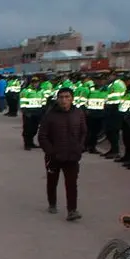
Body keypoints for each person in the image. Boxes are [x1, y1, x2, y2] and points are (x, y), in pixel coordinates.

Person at [38, 87, 87, 220]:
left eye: (67, 97)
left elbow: (83, 132)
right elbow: (42, 136)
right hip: (54, 156)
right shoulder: (50, 115)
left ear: (72, 99)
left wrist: (79, 148)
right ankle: (52, 203)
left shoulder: (78, 113)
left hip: (72, 156)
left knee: (71, 184)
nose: (64, 100)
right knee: (52, 181)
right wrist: (51, 151)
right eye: (61, 97)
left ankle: (72, 210)